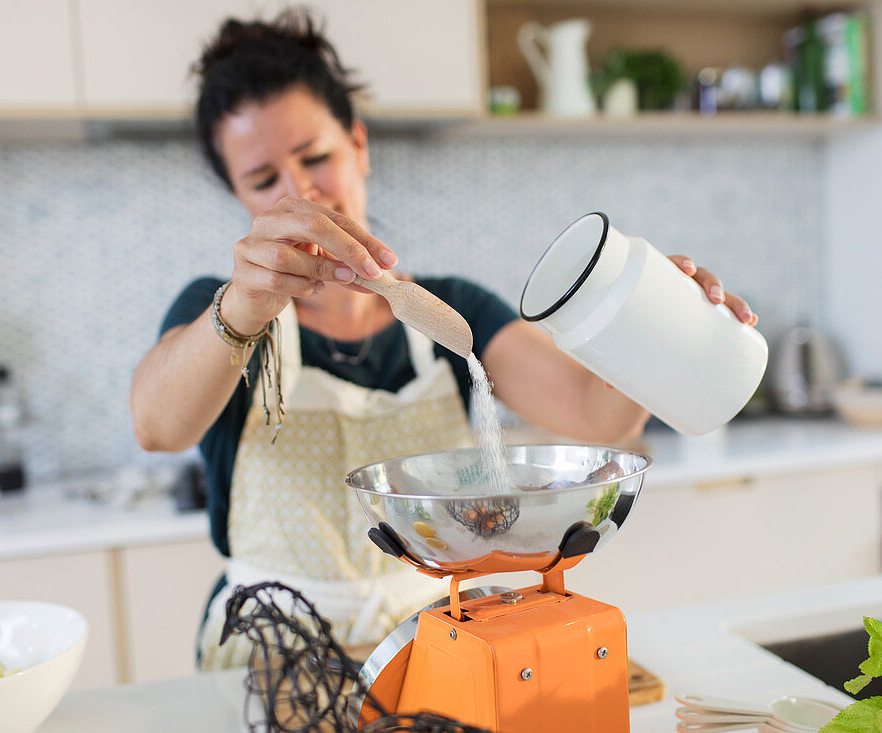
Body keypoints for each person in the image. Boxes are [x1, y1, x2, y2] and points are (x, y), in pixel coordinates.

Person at [129, 10, 759, 669]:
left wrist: (650, 326)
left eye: (317, 157)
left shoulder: (451, 315)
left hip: (433, 650)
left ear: (359, 146)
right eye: (264, 180)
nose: (301, 190)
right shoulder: (222, 314)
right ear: (238, 191)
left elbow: (597, 414)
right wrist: (244, 303)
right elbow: (157, 426)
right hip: (271, 661)